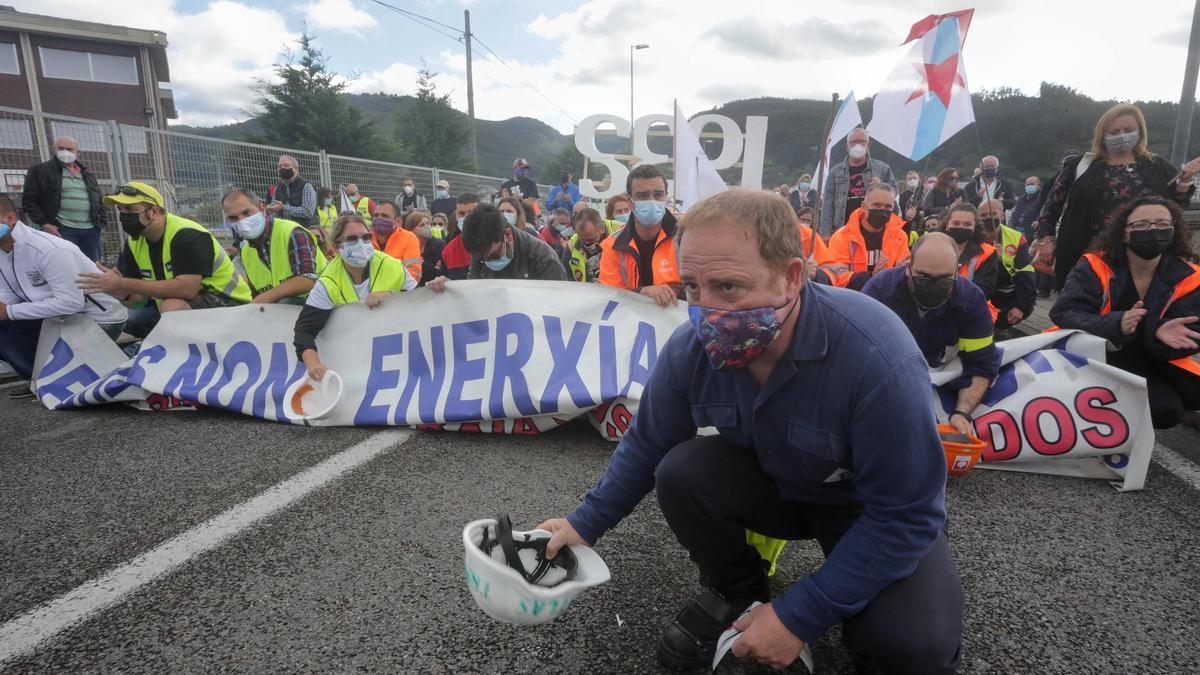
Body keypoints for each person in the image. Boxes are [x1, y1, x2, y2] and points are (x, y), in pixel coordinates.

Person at [537, 188, 961, 673]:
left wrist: (798, 616)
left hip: (866, 512)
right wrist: (583, 524)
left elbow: (907, 516)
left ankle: (799, 614)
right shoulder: (689, 348)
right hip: (781, 489)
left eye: (729, 287)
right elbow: (648, 443)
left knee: (912, 647)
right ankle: (738, 591)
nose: (706, 311)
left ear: (791, 277)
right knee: (680, 470)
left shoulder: (877, 357)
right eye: (693, 287)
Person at [1050, 196, 1200, 429]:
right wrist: (1118, 323)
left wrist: (1157, 333)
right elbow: (1064, 313)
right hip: (1092, 358)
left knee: (1167, 411)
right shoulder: (1093, 265)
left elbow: (1192, 334)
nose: (1152, 230)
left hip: (1152, 362)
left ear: (1174, 230)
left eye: (1162, 224)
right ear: (1124, 232)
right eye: (1141, 225)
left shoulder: (1191, 276)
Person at [1035, 103, 1200, 291]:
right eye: (1114, 132)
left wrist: (1185, 181)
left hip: (1145, 258)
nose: (1122, 135)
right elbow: (1051, 207)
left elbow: (1175, 208)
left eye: (1128, 130)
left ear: (1140, 132)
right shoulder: (1079, 165)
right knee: (1084, 308)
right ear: (1102, 134)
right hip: (1087, 255)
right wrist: (1045, 240)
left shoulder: (1158, 166)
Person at [862, 231, 1000, 437]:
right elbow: (857, 356)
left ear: (957, 271)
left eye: (945, 279)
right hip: (883, 368)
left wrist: (962, 413)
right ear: (908, 268)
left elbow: (981, 363)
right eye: (924, 277)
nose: (934, 286)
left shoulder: (971, 300)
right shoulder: (879, 291)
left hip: (932, 364)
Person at [77, 182, 250, 336]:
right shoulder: (134, 242)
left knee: (171, 307)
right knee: (129, 319)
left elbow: (187, 290)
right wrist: (120, 292)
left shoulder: (187, 234)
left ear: (153, 212)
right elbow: (138, 301)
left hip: (232, 302)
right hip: (178, 305)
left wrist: (123, 283)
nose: (123, 216)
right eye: (120, 210)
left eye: (130, 210)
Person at [0, 195, 126, 385]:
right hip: (56, 317)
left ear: (10, 219)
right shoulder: (3, 250)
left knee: (9, 329)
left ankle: (55, 381)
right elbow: (10, 290)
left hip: (97, 319)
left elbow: (70, 303)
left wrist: (8, 311)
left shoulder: (48, 248)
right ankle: (40, 380)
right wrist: (4, 307)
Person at [293, 214, 416, 381]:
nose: (361, 243)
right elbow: (304, 330)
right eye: (352, 239)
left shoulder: (392, 266)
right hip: (352, 357)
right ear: (336, 247)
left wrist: (391, 296)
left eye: (366, 237)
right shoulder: (328, 282)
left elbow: (418, 305)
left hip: (394, 350)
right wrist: (313, 363)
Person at [221, 188, 326, 305]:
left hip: (324, 301)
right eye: (233, 218)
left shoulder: (292, 232)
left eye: (246, 213)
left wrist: (264, 298)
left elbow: (308, 280)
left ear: (262, 208)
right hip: (282, 310)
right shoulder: (245, 252)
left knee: (284, 303)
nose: (242, 221)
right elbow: (255, 292)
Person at [599, 164, 682, 308]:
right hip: (630, 325)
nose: (652, 200)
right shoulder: (612, 245)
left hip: (678, 322)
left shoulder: (685, 237)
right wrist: (641, 293)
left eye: (658, 194)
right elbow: (610, 295)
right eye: (642, 196)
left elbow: (701, 287)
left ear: (665, 197)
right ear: (630, 202)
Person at [427, 204, 565, 287]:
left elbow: (555, 307)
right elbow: (474, 290)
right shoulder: (482, 250)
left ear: (508, 235)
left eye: (494, 255)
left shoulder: (544, 259)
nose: (488, 262)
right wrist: (451, 288)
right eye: (481, 259)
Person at [20, 136, 104, 261]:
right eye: (61, 148)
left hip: (91, 230)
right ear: (55, 149)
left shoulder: (88, 174)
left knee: (93, 267)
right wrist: (45, 224)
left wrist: (101, 222)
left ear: (78, 152)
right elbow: (29, 201)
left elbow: (98, 200)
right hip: (62, 230)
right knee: (66, 266)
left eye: (69, 149)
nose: (65, 152)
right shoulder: (40, 170)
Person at [821, 183, 911, 291]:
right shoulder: (842, 237)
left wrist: (901, 270)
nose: (882, 211)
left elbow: (904, 270)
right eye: (877, 205)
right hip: (853, 296)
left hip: (887, 295)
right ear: (863, 207)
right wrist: (871, 276)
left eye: (888, 207)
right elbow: (836, 277)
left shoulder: (900, 236)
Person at [818, 127, 897, 239]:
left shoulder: (882, 168)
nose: (857, 145)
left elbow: (894, 194)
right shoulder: (835, 172)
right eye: (853, 142)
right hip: (842, 229)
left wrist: (881, 186)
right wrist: (826, 233)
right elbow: (827, 204)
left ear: (868, 145)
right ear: (847, 146)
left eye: (862, 142)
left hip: (874, 229)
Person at [978, 199, 1035, 332]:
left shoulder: (1016, 238)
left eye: (993, 214)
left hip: (1005, 294)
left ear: (1002, 215)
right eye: (983, 215)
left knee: (1024, 305)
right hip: (980, 291)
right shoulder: (972, 237)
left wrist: (1020, 306)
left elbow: (1026, 274)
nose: (988, 218)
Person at [941, 204, 1000, 321]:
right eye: (956, 223)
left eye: (967, 224)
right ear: (947, 224)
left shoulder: (987, 253)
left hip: (972, 309)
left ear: (975, 227)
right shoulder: (932, 246)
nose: (961, 227)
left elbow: (985, 289)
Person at [370, 200, 423, 281]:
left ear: (398, 221)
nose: (379, 219)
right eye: (376, 215)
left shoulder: (409, 238)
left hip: (397, 291)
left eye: (385, 216)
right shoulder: (365, 238)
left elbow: (414, 273)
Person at [435, 193, 479, 280]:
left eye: (471, 213)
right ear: (456, 215)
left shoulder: (496, 243)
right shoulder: (448, 251)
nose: (466, 217)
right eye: (461, 213)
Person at [267, 155, 317, 228]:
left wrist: (284, 208)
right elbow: (273, 211)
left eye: (286, 165)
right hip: (284, 231)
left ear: (296, 169)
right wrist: (270, 209)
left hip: (305, 231)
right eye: (279, 166)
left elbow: (308, 212)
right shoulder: (277, 188)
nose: (282, 168)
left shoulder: (306, 186)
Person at [563, 207, 608, 283]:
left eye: (591, 240)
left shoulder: (618, 235)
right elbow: (566, 276)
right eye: (582, 240)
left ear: (602, 228)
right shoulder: (572, 245)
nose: (587, 244)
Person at [404, 210, 444, 287]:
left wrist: (418, 262)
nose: (427, 227)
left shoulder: (439, 245)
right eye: (422, 225)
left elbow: (439, 272)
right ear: (411, 230)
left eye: (428, 223)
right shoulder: (405, 246)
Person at [795, 206, 833, 285]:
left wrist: (815, 273)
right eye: (802, 219)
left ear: (813, 222)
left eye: (808, 220)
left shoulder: (815, 238)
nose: (805, 223)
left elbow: (829, 271)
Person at [1009, 176, 1043, 240]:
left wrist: (1037, 220)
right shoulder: (1021, 199)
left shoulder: (1042, 199)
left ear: (1038, 186)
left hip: (1030, 232)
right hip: (1015, 231)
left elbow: (1043, 213)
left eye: (1032, 184)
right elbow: (1015, 213)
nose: (1029, 186)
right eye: (1027, 185)